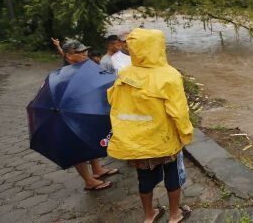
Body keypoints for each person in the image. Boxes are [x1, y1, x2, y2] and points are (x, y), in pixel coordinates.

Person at [107, 28, 193, 223]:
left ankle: (149, 215)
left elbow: (112, 100)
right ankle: (174, 215)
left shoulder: (125, 73)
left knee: (144, 178)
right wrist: (186, 134)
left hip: (136, 140)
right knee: (173, 175)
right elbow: (179, 111)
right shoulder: (169, 75)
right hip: (165, 139)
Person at [61, 40, 119, 191]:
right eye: (79, 52)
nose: (84, 54)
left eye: (84, 51)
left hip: (89, 111)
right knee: (77, 147)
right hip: (73, 115)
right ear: (68, 56)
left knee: (92, 139)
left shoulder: (86, 67)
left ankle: (97, 169)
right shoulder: (64, 75)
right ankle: (89, 181)